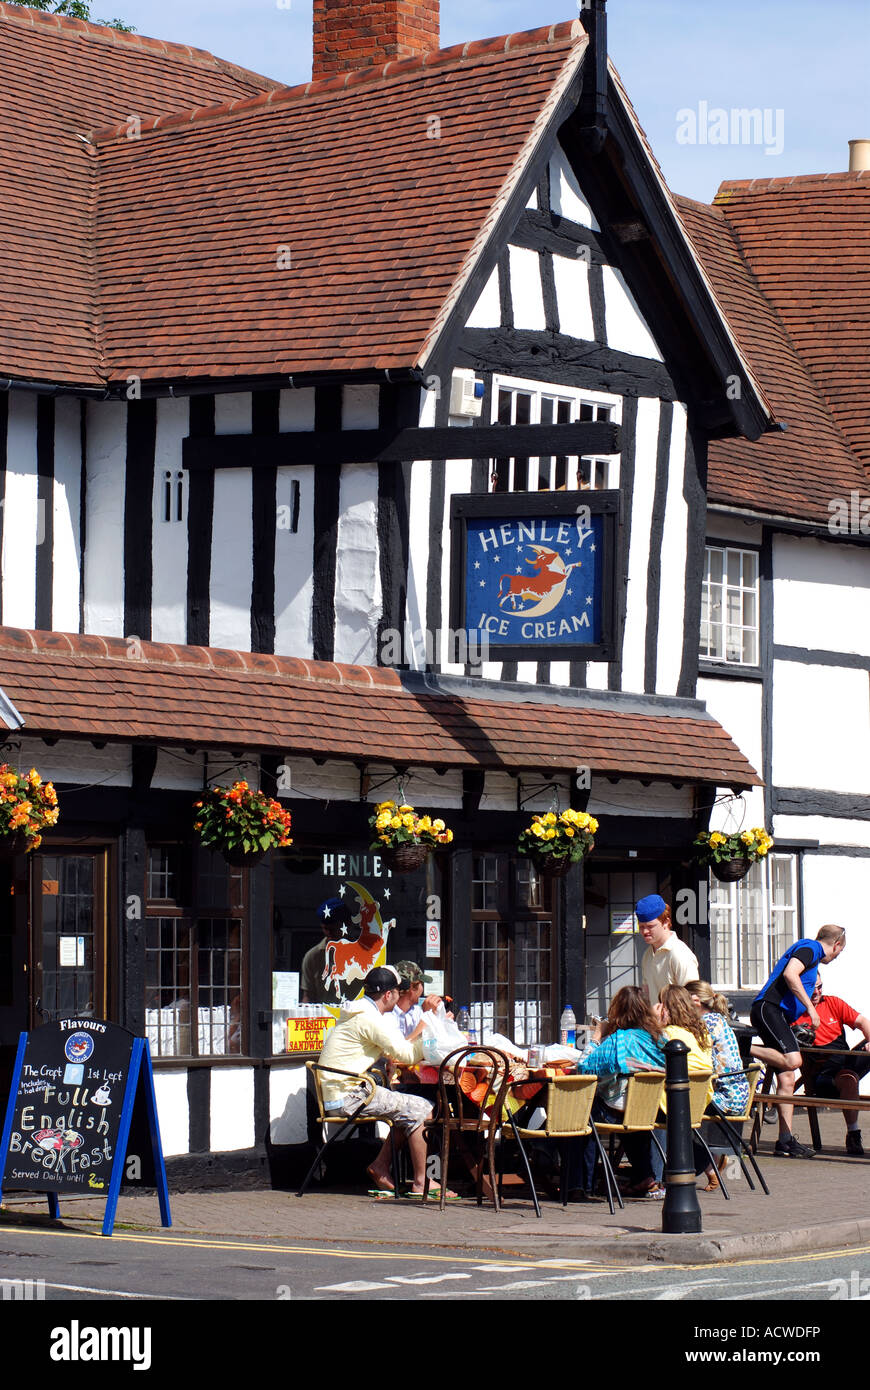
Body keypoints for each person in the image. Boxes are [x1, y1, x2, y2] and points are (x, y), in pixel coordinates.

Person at [316, 966, 436, 1195]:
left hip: (338, 1094)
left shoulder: (358, 1013)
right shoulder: (371, 1019)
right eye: (397, 992)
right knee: (424, 1108)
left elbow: (393, 1051)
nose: (400, 996)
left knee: (406, 1110)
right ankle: (422, 1183)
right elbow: (407, 1054)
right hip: (348, 1097)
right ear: (388, 994)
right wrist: (430, 1031)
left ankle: (380, 1166)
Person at [750, 924, 847, 1158]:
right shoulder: (811, 948)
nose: (837, 956)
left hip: (778, 1015)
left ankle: (785, 1140)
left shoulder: (811, 954)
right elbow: (790, 973)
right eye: (840, 952)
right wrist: (812, 1011)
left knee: (787, 1077)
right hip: (769, 1009)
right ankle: (744, 1046)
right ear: (836, 944)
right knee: (794, 1060)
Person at [572, 984, 667, 1199]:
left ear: (617, 1011)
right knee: (627, 1120)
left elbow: (584, 1068)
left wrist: (597, 1036)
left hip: (615, 1112)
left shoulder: (617, 1041)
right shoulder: (659, 1039)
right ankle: (646, 1175)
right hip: (646, 1110)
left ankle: (581, 1185)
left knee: (580, 1115)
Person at [795, 978, 870, 1156]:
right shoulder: (794, 1013)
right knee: (849, 1078)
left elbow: (863, 1022)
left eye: (820, 987)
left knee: (850, 1072)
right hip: (822, 1073)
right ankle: (853, 1134)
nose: (816, 992)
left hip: (844, 1061)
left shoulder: (832, 1002)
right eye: (812, 988)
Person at [685, 980, 748, 1190]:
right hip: (737, 1094)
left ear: (695, 1002)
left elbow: (695, 1058)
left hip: (726, 1097)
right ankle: (711, 1165)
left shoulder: (707, 1023)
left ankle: (686, 1170)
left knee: (681, 1109)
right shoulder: (717, 1019)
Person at [636, 894, 700, 1003]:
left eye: (650, 926)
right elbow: (646, 995)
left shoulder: (680, 954)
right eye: (641, 927)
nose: (645, 932)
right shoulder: (647, 954)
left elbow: (693, 1000)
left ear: (666, 922)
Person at [300, 897, 352, 1004]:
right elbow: (307, 997)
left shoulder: (362, 953)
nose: (328, 934)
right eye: (325, 929)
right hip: (324, 1018)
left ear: (347, 924)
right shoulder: (312, 957)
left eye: (333, 929)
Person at [392, 960, 441, 1039]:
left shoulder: (416, 1011)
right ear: (412, 987)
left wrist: (440, 1020)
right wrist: (427, 1018)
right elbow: (398, 1049)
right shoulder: (387, 1014)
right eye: (421, 983)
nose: (422, 988)